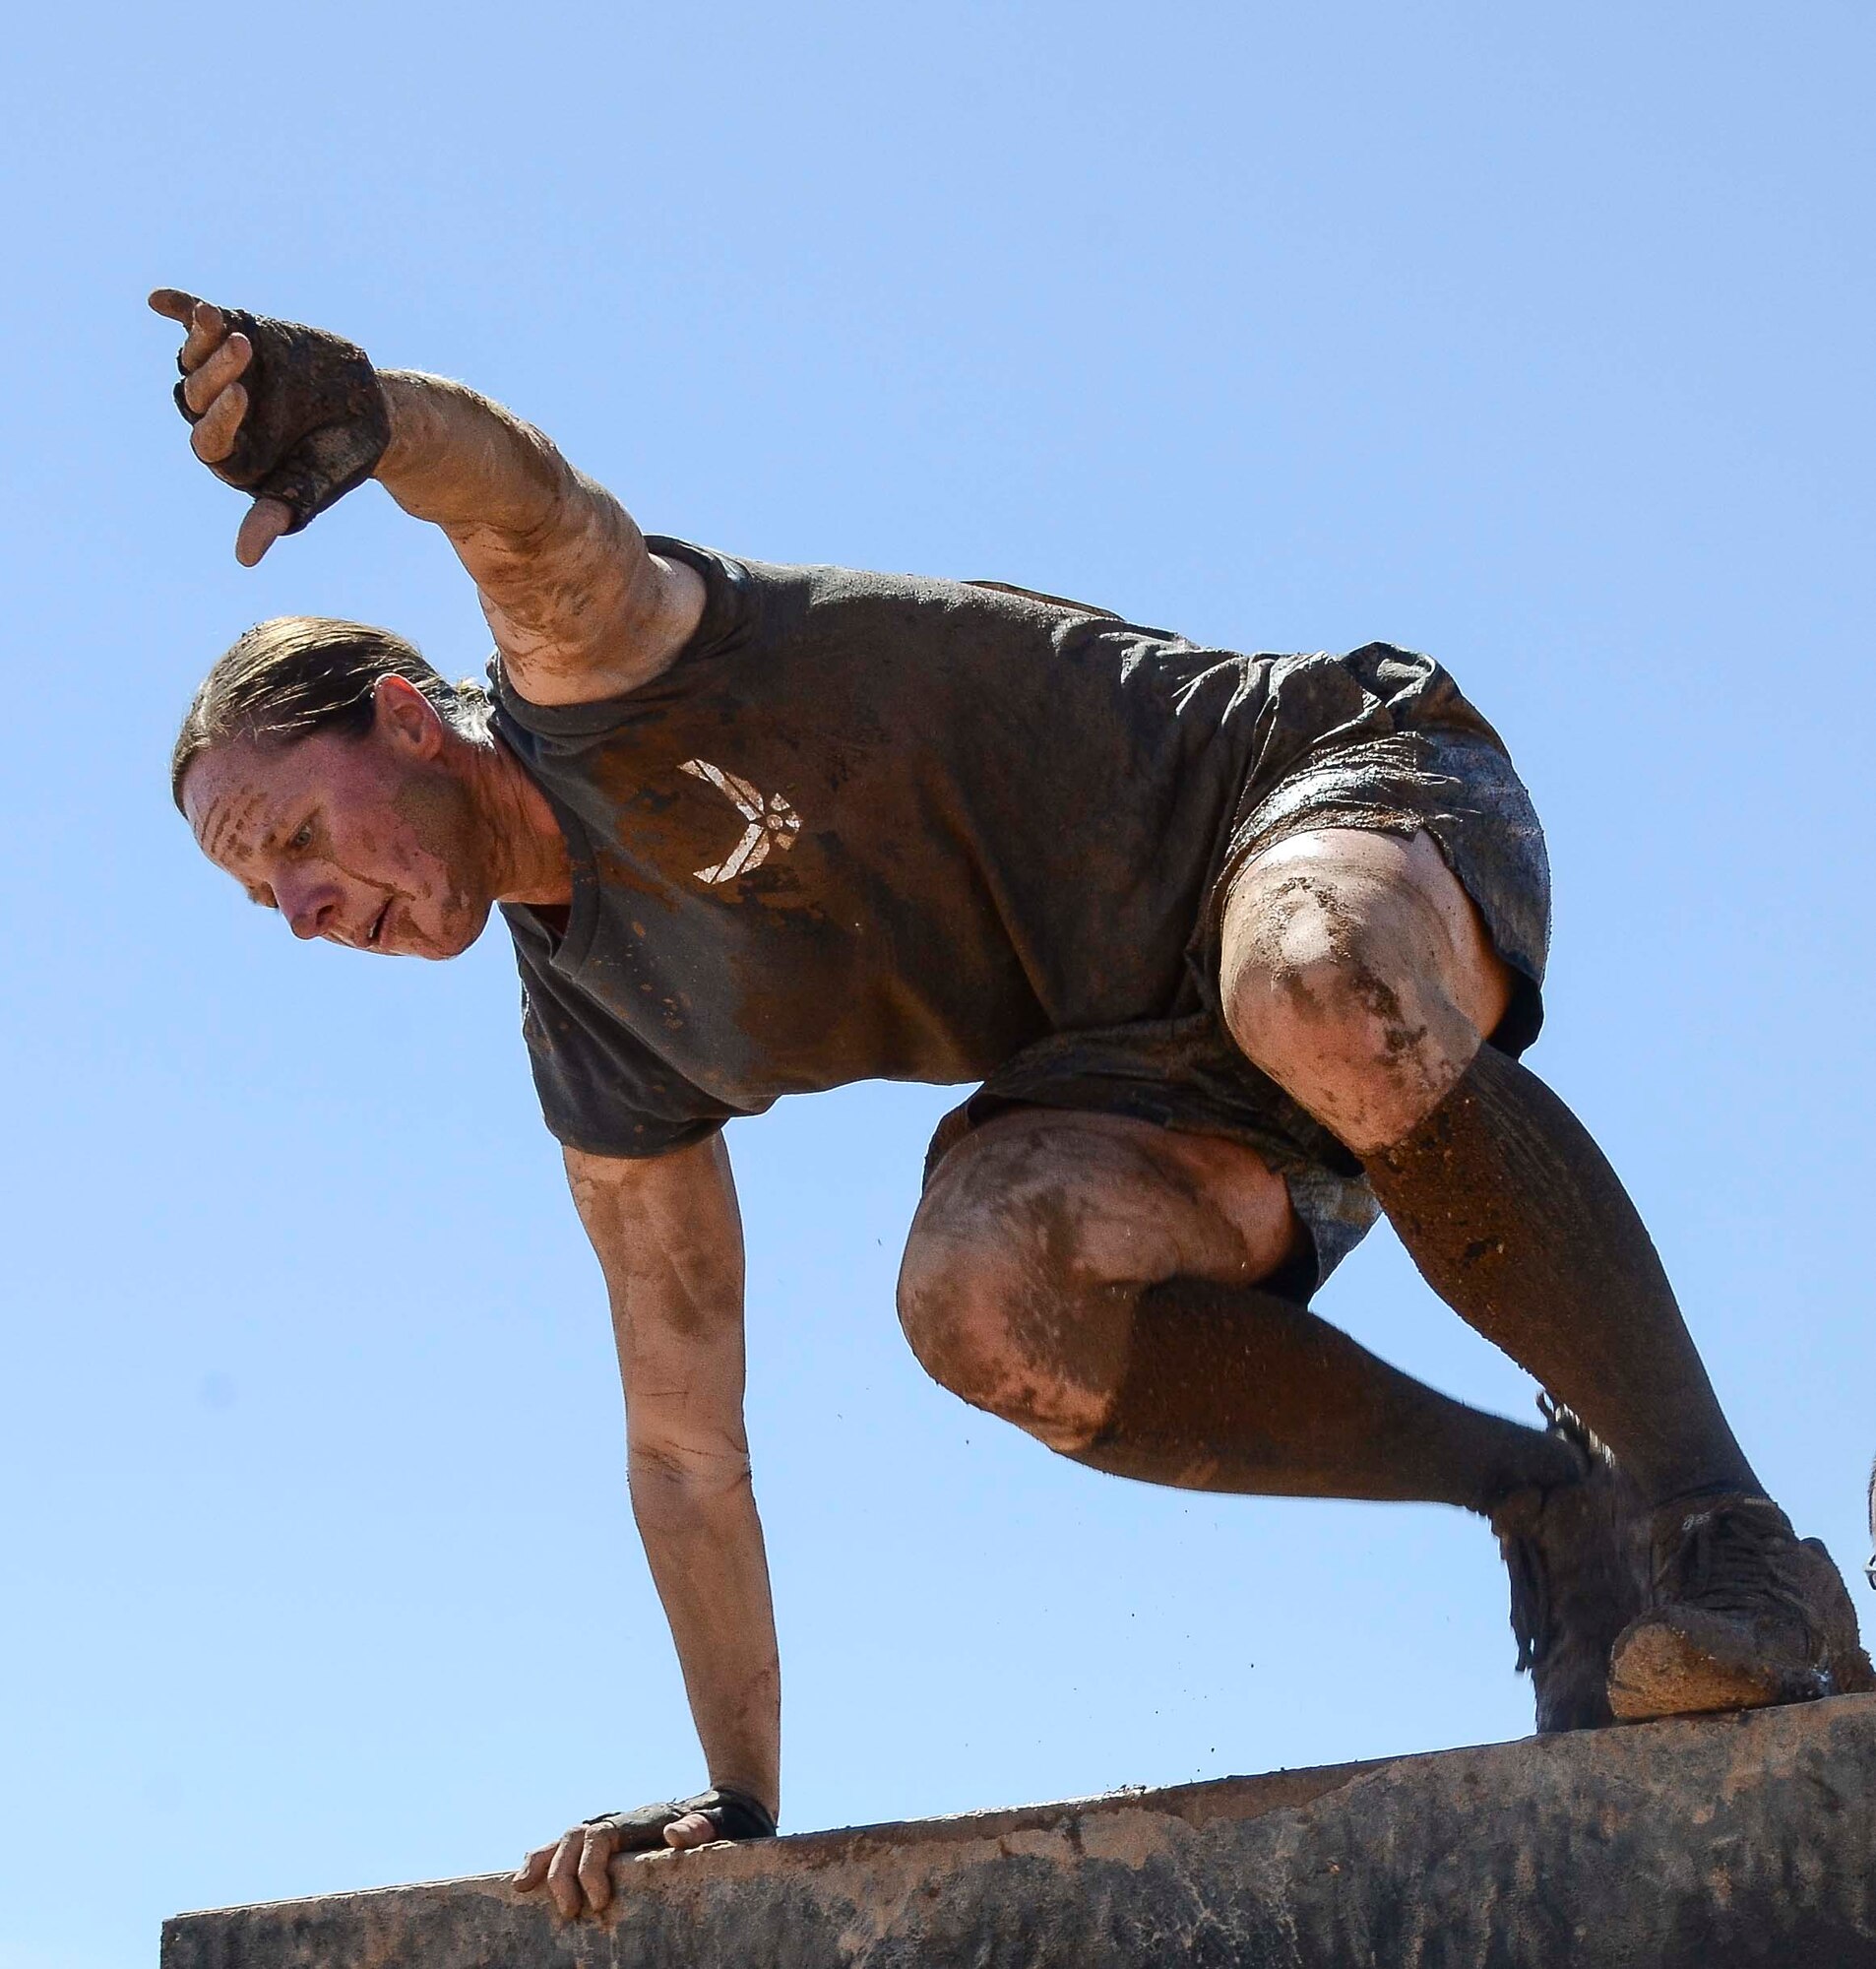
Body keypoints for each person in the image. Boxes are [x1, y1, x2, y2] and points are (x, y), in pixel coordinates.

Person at [152, 288, 1868, 1919]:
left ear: (403, 722)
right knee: (976, 1300)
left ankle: (1725, 1533)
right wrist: (735, 1804)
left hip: (1329, 807)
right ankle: (1542, 1498)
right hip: (1152, 1068)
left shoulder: (595, 677)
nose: (306, 909)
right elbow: (685, 1446)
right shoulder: (603, 1045)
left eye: (298, 839)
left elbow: (519, 502)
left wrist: (369, 416)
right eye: (265, 902)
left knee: (1306, 983)